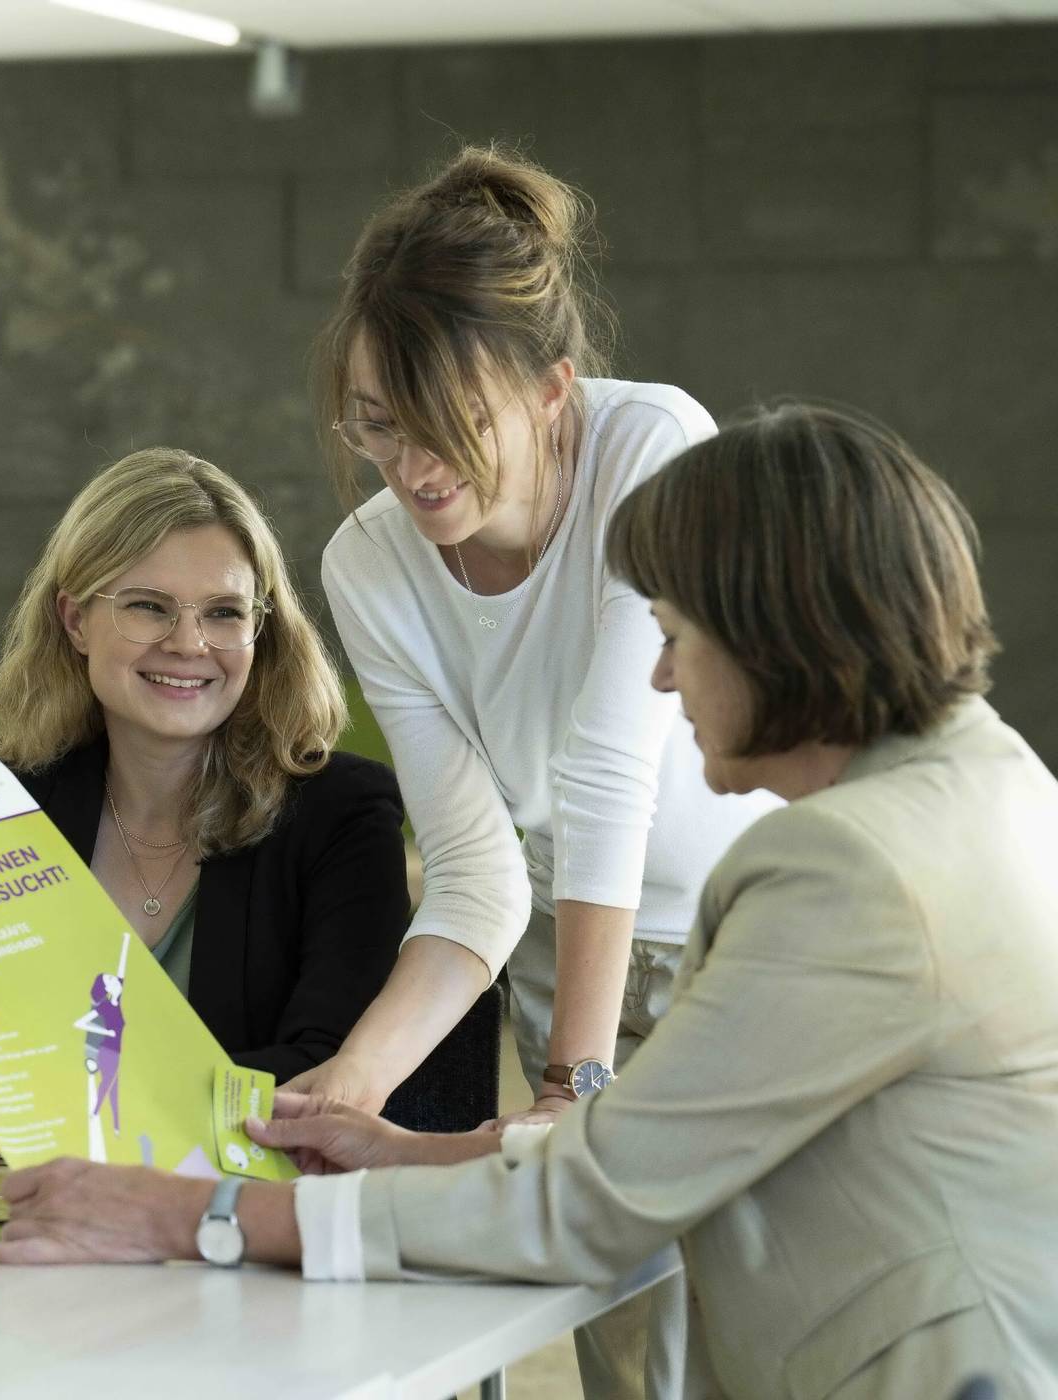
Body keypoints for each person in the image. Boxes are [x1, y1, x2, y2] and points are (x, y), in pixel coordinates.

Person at [0, 402, 1058, 1399]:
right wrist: (403, 1149)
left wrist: (196, 1214)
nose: (660, 676)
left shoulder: (844, 868)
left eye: (674, 628)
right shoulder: (1009, 790)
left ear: (773, 626)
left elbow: (591, 1201)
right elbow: (640, 1152)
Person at [291, 146, 779, 1397]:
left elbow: (612, 766)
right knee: (624, 1349)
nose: (414, 467)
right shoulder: (371, 566)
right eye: (379, 422)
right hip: (572, 947)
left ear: (554, 387)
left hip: (746, 938)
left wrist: (575, 1085)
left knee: (764, 1332)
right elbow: (475, 871)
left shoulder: (652, 443)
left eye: (452, 423)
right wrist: (351, 1085)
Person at [0, 448, 413, 1166]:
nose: (189, 643)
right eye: (149, 607)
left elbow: (323, 1072)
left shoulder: (343, 815)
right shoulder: (1, 810)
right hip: (19, 1225)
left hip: (248, 1230)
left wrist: (61, 1108)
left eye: (224, 613)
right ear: (76, 619)